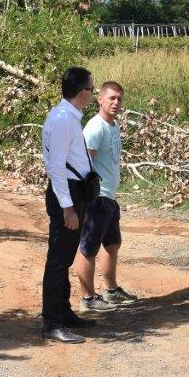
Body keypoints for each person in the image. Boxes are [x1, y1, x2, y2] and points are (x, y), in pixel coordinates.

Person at [40, 66, 98, 343]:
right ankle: (52, 323)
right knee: (58, 260)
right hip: (68, 195)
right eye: (92, 89)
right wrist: (68, 208)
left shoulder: (68, 116)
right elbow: (56, 167)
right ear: (83, 92)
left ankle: (63, 313)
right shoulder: (64, 119)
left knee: (63, 258)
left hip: (74, 193)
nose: (92, 94)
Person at [73, 81, 138, 312]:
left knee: (112, 244)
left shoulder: (113, 125)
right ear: (100, 100)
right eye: (111, 98)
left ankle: (111, 291)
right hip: (96, 198)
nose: (116, 102)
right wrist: (85, 196)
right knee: (88, 249)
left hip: (109, 197)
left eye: (119, 98)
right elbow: (82, 161)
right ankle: (88, 298)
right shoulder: (95, 127)